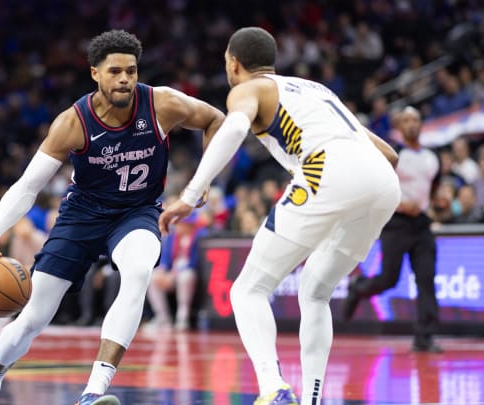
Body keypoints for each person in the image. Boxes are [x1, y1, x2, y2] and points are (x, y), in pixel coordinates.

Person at [0, 29, 224, 405]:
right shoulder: (72, 123)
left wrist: (204, 178)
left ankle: (94, 392)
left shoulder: (162, 104)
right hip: (81, 216)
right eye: (115, 71)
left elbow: (216, 119)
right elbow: (27, 187)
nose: (125, 79)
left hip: (137, 211)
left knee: (137, 273)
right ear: (95, 74)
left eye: (132, 71)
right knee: (34, 317)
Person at [159, 27, 401, 405]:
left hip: (327, 170)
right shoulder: (314, 89)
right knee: (316, 292)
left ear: (233, 63)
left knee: (247, 289)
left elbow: (236, 126)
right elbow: (389, 154)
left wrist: (191, 194)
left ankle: (274, 388)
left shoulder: (248, 88)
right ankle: (313, 398)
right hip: (382, 181)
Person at [343, 106, 443, 353]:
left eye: (415, 120)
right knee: (389, 279)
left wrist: (428, 207)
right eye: (406, 120)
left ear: (421, 124)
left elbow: (433, 187)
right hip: (395, 223)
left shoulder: (432, 158)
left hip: (421, 225)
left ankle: (424, 337)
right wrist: (400, 203)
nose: (411, 124)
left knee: (426, 279)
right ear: (399, 126)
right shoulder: (392, 153)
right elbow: (377, 184)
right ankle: (359, 287)